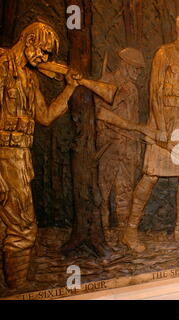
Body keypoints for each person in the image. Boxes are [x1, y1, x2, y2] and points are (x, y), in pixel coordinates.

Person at [0, 22, 81, 288]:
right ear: (30, 39)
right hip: (4, 159)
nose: (44, 59)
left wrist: (69, 87)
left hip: (20, 160)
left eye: (48, 55)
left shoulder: (30, 77)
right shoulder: (1, 66)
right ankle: (17, 288)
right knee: (23, 228)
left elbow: (44, 117)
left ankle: (14, 286)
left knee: (14, 227)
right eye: (44, 51)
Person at [121, 13, 179, 252]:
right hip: (164, 120)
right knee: (151, 175)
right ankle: (130, 230)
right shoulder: (163, 54)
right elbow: (154, 92)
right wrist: (161, 127)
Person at [95, 48, 145, 241]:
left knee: (125, 190)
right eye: (135, 68)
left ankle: (124, 232)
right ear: (125, 64)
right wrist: (132, 127)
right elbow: (102, 114)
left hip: (128, 146)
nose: (138, 73)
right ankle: (102, 230)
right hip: (109, 146)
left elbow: (133, 117)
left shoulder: (132, 89)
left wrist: (136, 144)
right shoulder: (106, 82)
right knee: (104, 189)